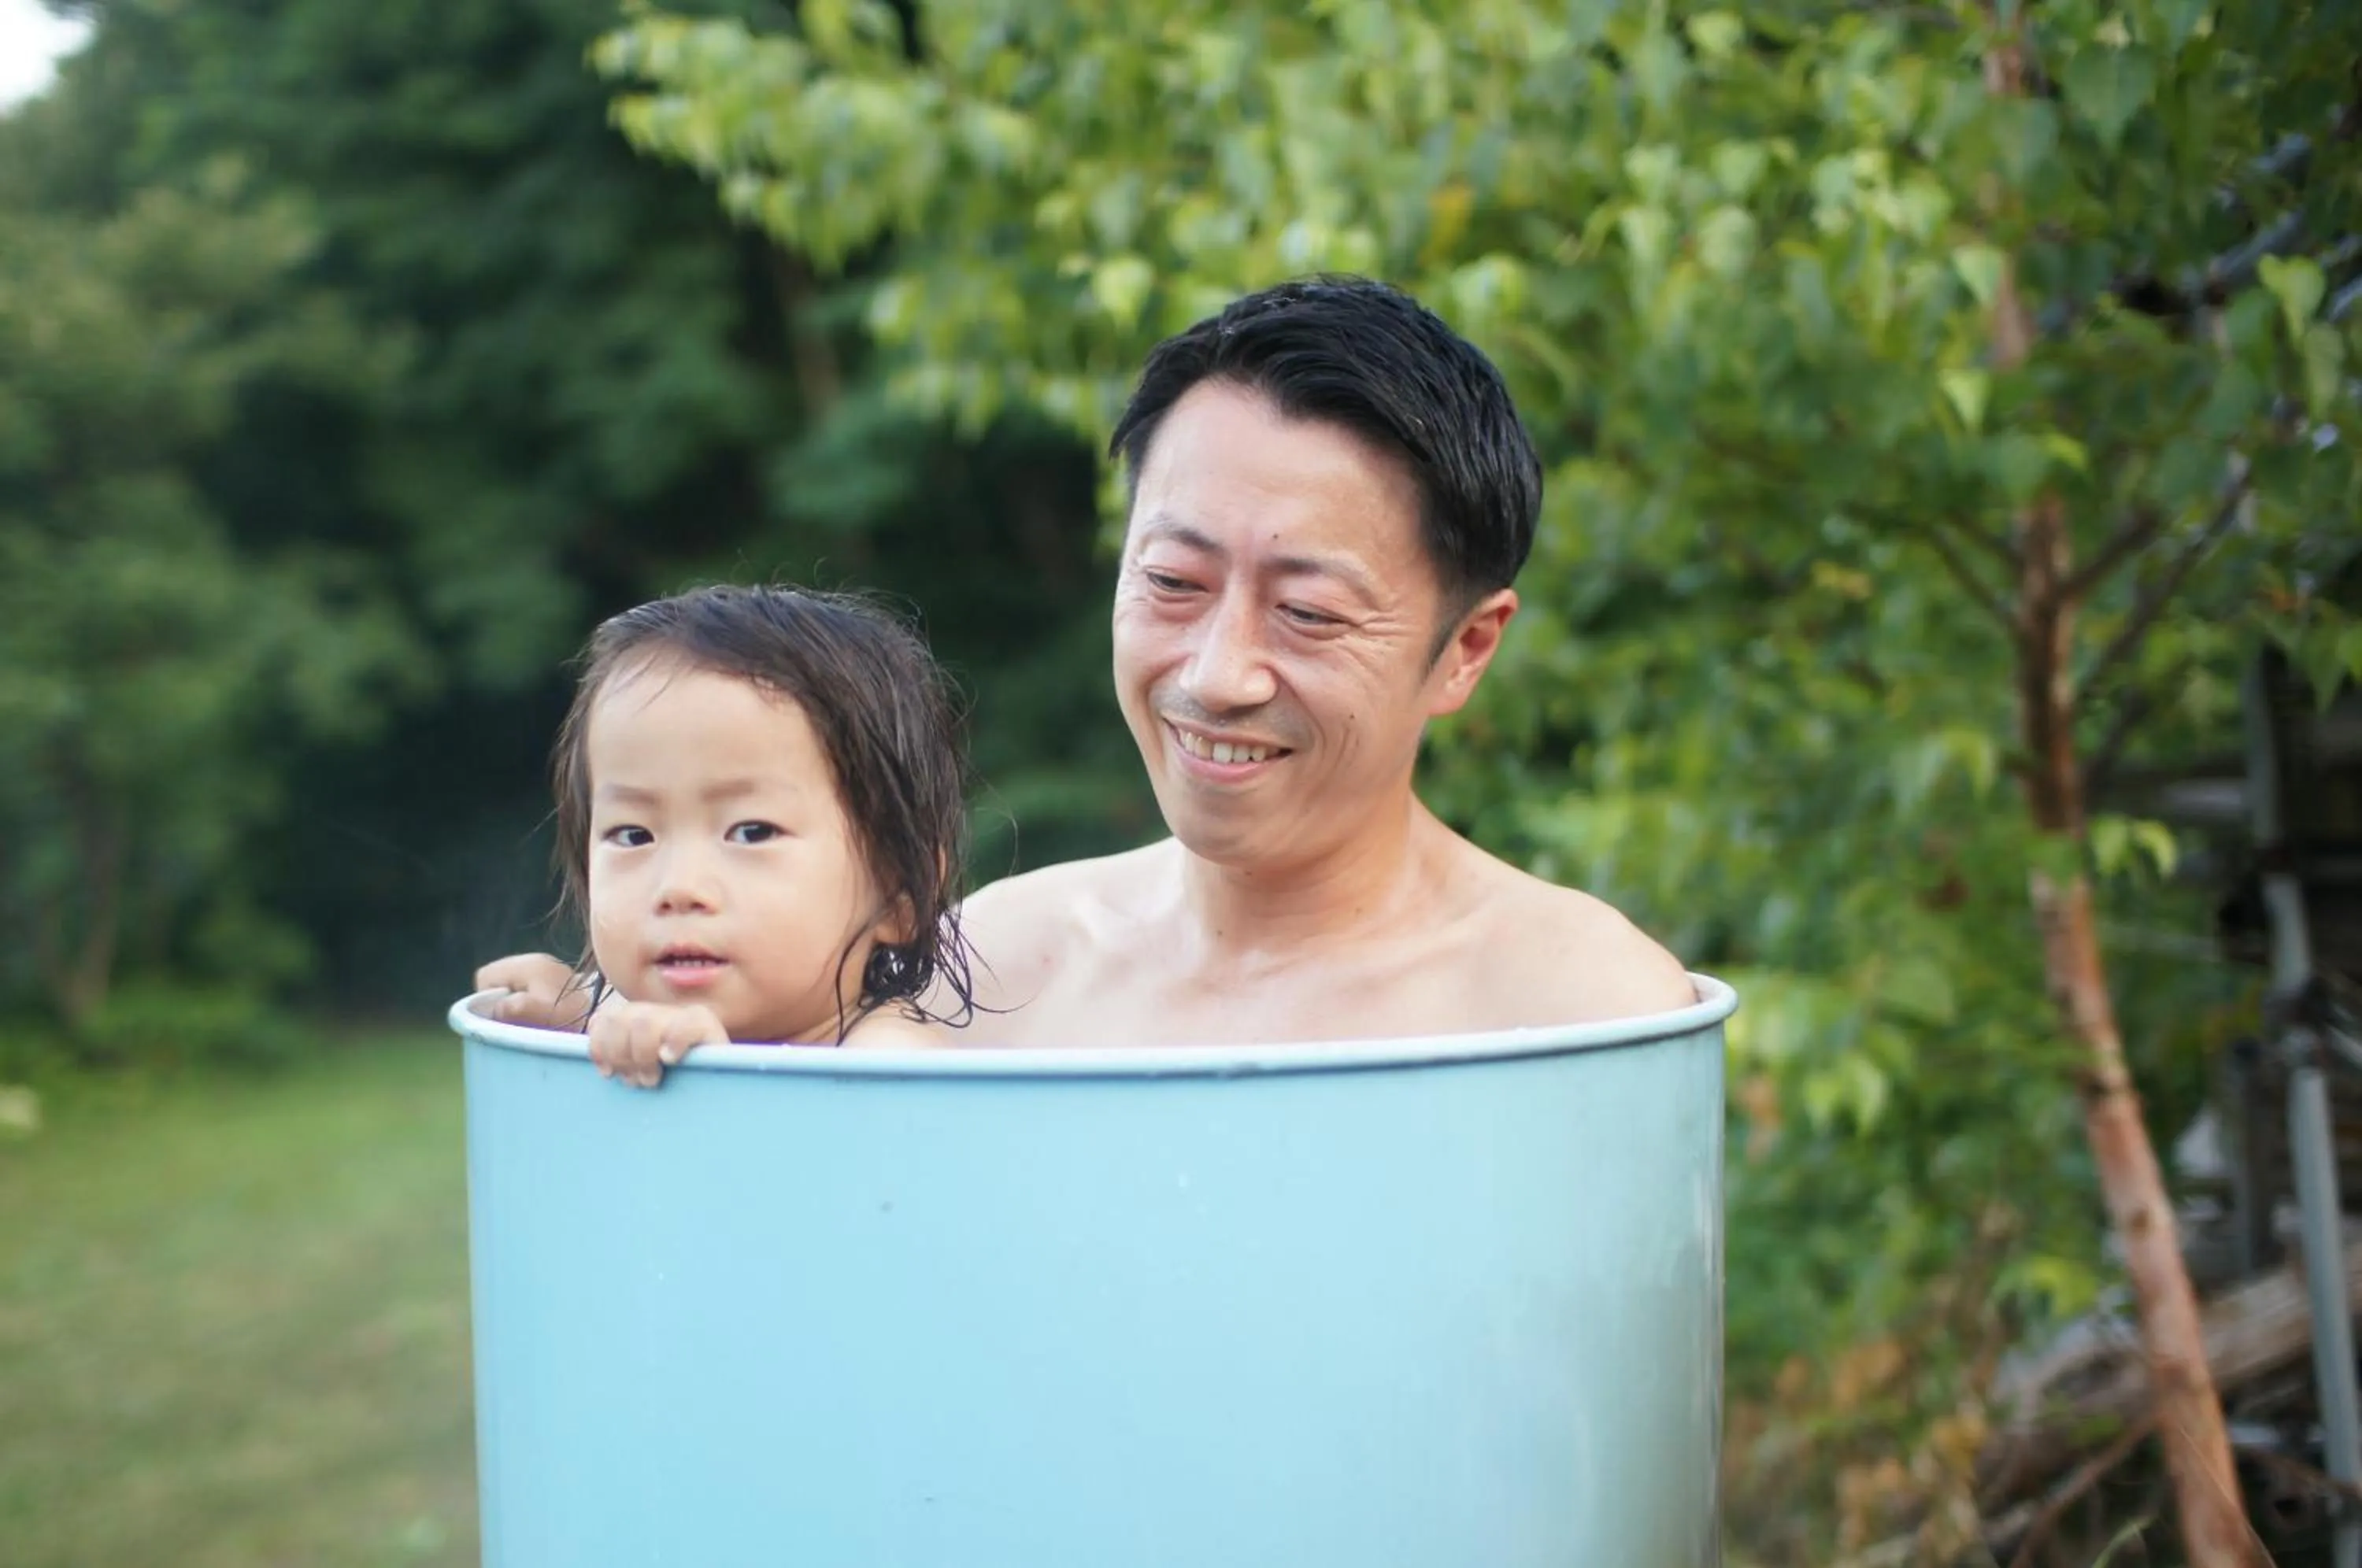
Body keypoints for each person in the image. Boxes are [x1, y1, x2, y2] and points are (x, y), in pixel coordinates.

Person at [483, 276, 1691, 1053]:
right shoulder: (984, 968)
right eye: (1173, 584)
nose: (1218, 674)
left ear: (1464, 648)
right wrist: (604, 1029)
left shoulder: (1578, 1012)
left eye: (1309, 613)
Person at [476, 583, 972, 1085]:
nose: (679, 888)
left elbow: (846, 1153)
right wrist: (573, 1019)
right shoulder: (633, 1019)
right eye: (633, 835)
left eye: (752, 832)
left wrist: (718, 1083)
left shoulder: (896, 1059)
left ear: (899, 896)